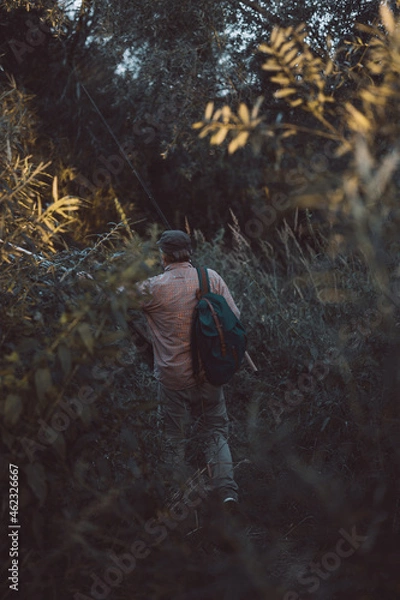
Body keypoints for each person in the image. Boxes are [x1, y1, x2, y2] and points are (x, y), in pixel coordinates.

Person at [137, 230, 240, 507]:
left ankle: (176, 501)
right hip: (210, 373)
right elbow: (235, 317)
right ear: (189, 252)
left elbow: (114, 298)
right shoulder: (211, 278)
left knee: (173, 438)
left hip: (173, 379)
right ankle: (227, 494)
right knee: (215, 431)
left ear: (163, 255)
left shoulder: (154, 287)